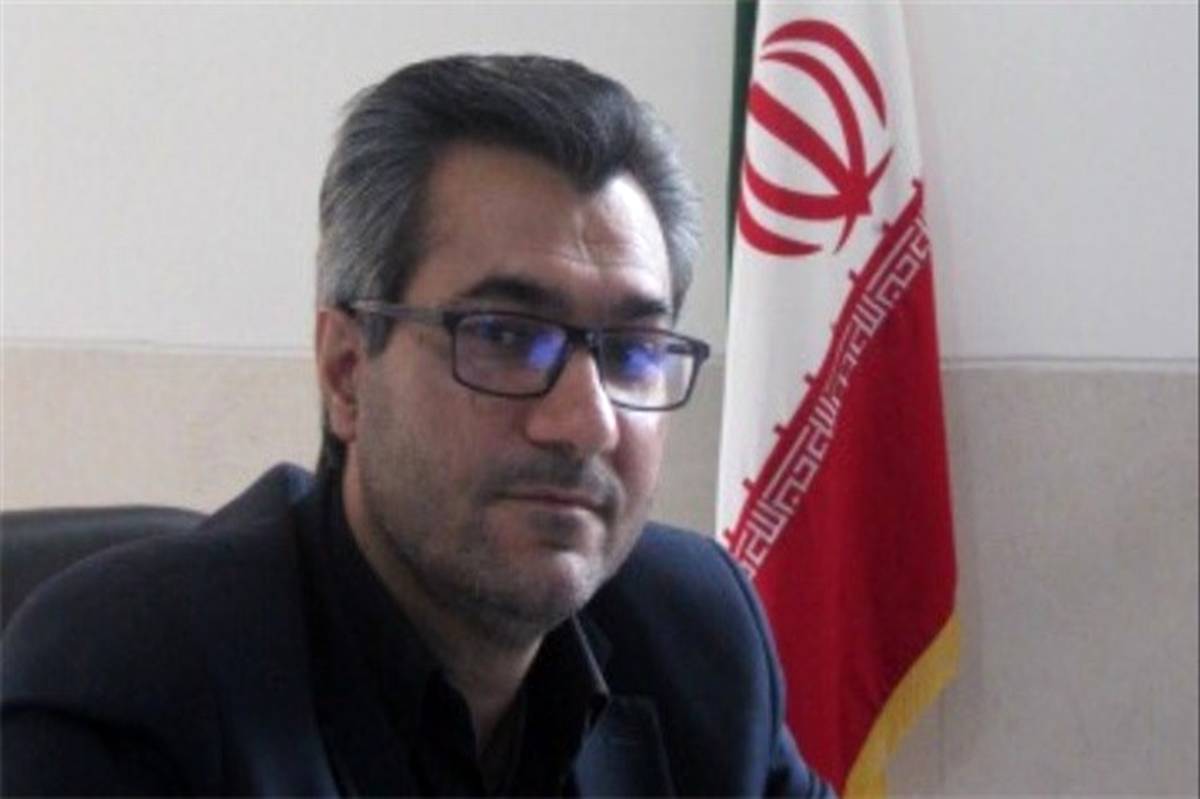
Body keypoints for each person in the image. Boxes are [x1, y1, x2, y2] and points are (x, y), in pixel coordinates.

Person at [1, 55, 833, 797]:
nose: (587, 422)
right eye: (505, 336)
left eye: (632, 351)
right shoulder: (131, 680)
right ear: (346, 370)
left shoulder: (696, 634)